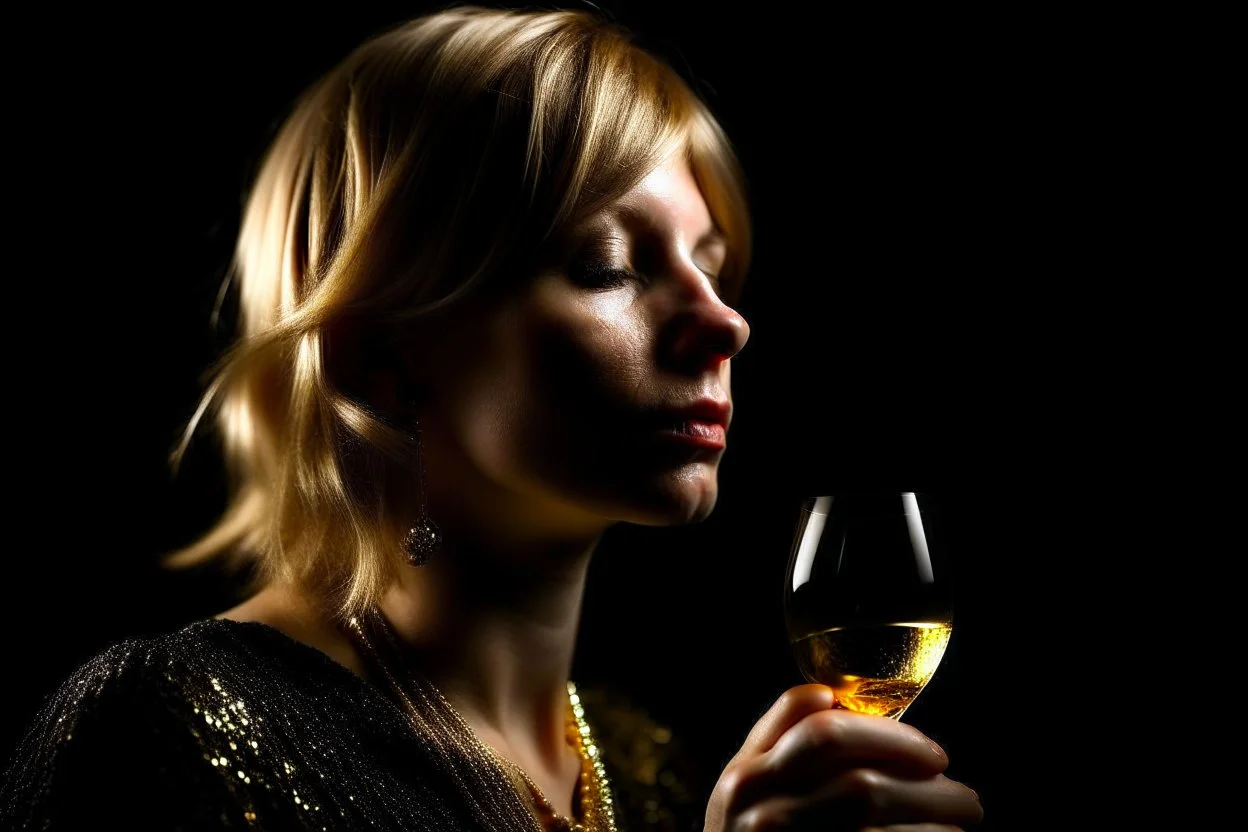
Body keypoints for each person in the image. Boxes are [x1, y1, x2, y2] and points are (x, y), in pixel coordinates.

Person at [0, 5, 983, 830]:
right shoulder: (157, 733)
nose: (723, 321)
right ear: (381, 359)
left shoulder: (649, 773)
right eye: (607, 266)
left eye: (710, 267)